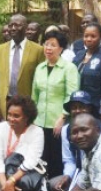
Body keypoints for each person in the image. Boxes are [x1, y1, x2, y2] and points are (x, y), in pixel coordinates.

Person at [48, 91, 101, 191]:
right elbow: (69, 160)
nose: (78, 111)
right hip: (78, 175)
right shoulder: (66, 130)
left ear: (90, 109)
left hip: (100, 179)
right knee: (52, 185)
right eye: (74, 107)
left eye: (82, 107)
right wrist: (67, 176)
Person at [31, 30, 79, 177]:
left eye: (53, 45)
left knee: (56, 160)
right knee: (40, 159)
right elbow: (34, 95)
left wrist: (63, 117)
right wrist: (31, 119)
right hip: (39, 122)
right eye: (46, 44)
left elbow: (71, 95)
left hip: (58, 123)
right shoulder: (40, 68)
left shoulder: (69, 68)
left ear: (61, 48)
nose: (48, 48)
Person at [0, 14, 44, 122]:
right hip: (6, 103)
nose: (13, 28)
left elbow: (41, 81)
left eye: (17, 25)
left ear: (26, 27)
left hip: (27, 105)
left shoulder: (38, 50)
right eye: (11, 25)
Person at [73, 23, 101, 122]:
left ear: (100, 37)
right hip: (77, 108)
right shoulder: (79, 55)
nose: (89, 39)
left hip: (95, 109)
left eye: (93, 36)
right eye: (86, 36)